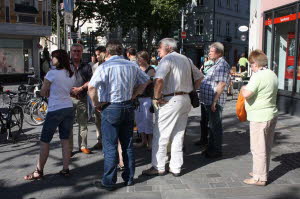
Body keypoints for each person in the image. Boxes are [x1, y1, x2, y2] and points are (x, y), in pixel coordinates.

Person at [88, 40, 150, 190]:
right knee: (127, 144)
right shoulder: (132, 65)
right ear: (121, 52)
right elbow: (146, 81)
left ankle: (109, 181)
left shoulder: (105, 66)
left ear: (107, 53)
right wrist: (134, 95)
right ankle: (129, 178)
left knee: (110, 146)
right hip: (128, 107)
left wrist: (96, 104)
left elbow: (91, 88)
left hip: (111, 107)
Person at [142, 38, 203, 177]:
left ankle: (158, 166)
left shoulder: (167, 59)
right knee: (178, 135)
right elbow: (199, 77)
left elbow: (159, 79)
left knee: (161, 135)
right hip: (185, 99)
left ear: (168, 48)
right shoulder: (186, 59)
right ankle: (176, 167)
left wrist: (156, 98)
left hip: (170, 99)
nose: (158, 49)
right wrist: (191, 89)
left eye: (160, 47)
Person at [24, 49, 75, 180]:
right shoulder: (71, 73)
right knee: (65, 140)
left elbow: (42, 92)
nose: (52, 60)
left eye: (53, 58)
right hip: (68, 108)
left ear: (59, 59)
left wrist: (46, 91)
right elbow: (67, 90)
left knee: (45, 141)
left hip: (55, 109)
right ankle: (65, 169)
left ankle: (38, 171)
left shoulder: (51, 73)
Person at [241, 50, 278, 186]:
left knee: (257, 148)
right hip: (271, 113)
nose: (251, 67)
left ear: (255, 63)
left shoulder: (257, 76)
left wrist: (243, 88)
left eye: (251, 64)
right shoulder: (272, 74)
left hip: (259, 116)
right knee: (266, 146)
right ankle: (261, 171)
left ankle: (259, 177)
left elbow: (246, 94)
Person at [199, 42, 231, 159]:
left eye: (211, 51)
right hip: (209, 101)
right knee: (211, 126)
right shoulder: (215, 64)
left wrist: (214, 101)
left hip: (215, 102)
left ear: (219, 53)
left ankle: (216, 150)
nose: (209, 53)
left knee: (215, 127)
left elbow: (221, 84)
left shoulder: (222, 65)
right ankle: (210, 148)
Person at [69, 43, 93, 155]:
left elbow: (91, 81)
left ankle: (83, 145)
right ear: (71, 52)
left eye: (78, 51)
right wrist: (70, 89)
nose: (76, 53)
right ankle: (68, 148)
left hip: (81, 98)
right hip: (68, 99)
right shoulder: (66, 65)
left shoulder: (87, 66)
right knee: (68, 124)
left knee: (83, 124)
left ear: (81, 52)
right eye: (74, 51)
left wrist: (80, 88)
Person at [134, 51, 155, 150]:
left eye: (140, 58)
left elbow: (146, 82)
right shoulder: (137, 69)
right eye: (137, 58)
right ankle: (143, 140)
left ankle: (150, 141)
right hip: (138, 98)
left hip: (147, 98)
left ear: (145, 58)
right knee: (139, 120)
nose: (138, 60)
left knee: (148, 119)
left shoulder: (151, 69)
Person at [194, 56, 214, 148]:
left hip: (211, 100)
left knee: (210, 122)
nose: (206, 68)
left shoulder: (214, 72)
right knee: (203, 121)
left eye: (208, 66)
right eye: (206, 66)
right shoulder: (204, 74)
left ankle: (210, 142)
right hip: (203, 99)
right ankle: (203, 139)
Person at [91, 46, 106, 150]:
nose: (97, 57)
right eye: (96, 55)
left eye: (98, 54)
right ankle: (99, 140)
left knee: (106, 120)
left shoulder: (108, 65)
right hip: (98, 96)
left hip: (106, 97)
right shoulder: (95, 66)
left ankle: (106, 140)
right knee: (97, 120)